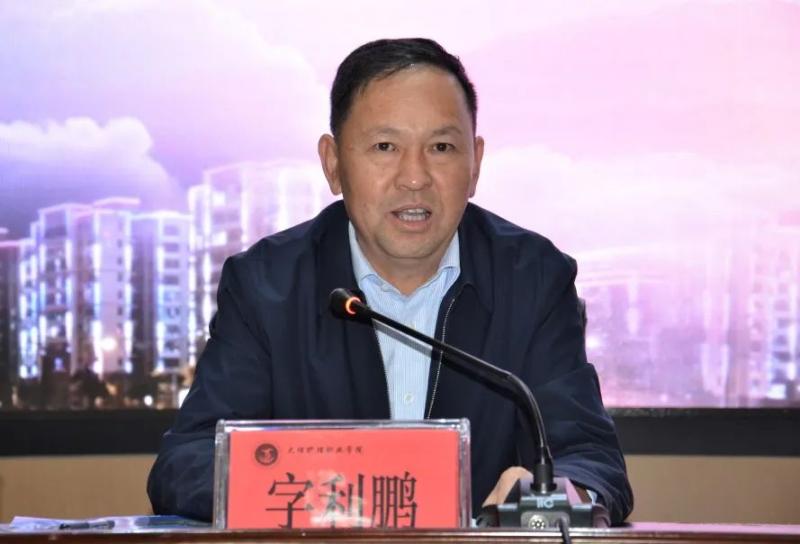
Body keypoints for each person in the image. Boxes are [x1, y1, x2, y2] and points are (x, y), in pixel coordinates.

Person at [147, 37, 633, 525]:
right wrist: (328, 496)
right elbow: (187, 462)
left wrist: (555, 495)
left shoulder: (534, 278)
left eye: (441, 147)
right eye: (385, 147)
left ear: (476, 163)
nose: (414, 177)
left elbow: (590, 459)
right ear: (333, 164)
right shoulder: (267, 285)